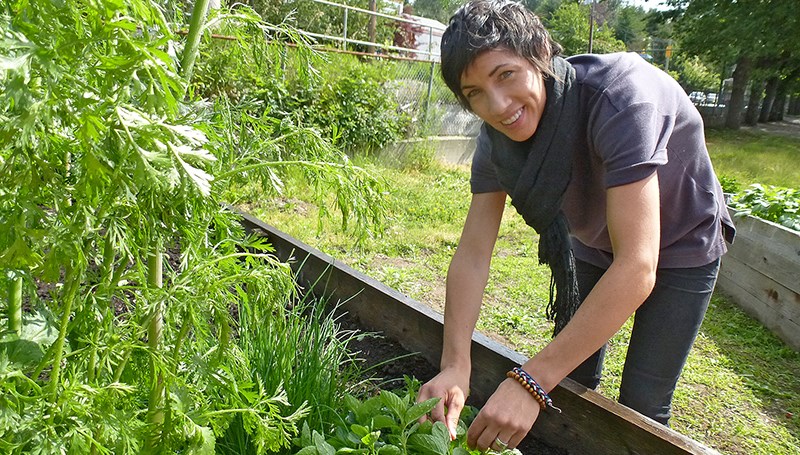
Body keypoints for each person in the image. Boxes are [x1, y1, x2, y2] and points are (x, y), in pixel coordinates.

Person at [415, 0, 736, 452]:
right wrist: (455, 364)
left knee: (641, 406)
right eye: (475, 93)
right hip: (594, 237)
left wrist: (530, 381)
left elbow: (638, 266)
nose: (499, 105)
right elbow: (472, 254)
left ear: (540, 53)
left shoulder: (621, 99)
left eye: (505, 75)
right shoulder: (496, 140)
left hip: (684, 239)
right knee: (570, 379)